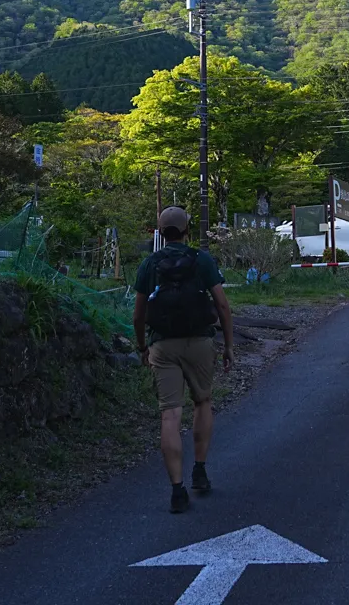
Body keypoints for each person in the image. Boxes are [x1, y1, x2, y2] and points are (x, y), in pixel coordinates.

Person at [132, 206, 234, 514]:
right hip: (200, 341)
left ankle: (177, 490)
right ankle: (199, 470)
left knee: (170, 415)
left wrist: (142, 348)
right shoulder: (201, 260)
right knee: (202, 402)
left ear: (160, 231)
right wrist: (228, 345)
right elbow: (222, 305)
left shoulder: (150, 264)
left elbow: (138, 315)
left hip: (162, 345)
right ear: (187, 230)